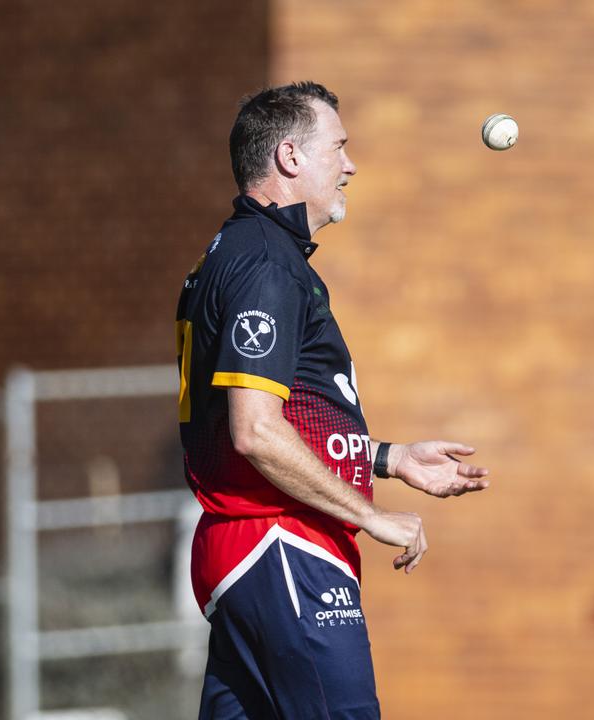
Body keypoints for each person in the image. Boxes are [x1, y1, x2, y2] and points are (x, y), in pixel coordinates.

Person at [175, 81, 492, 719]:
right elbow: (255, 431)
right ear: (290, 157)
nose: (350, 165)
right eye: (339, 147)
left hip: (252, 549)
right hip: (282, 544)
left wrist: (389, 458)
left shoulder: (248, 253)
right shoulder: (265, 264)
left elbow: (289, 414)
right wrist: (371, 516)